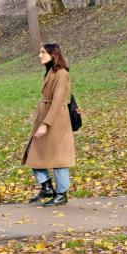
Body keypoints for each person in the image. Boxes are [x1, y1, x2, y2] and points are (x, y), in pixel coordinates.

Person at [22, 42, 75, 206]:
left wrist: (46, 124)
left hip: (56, 120)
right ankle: (46, 187)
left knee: (58, 157)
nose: (39, 55)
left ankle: (61, 193)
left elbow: (58, 101)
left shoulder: (62, 74)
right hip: (46, 116)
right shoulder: (50, 72)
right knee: (33, 152)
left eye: (43, 52)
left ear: (53, 55)